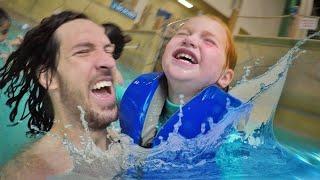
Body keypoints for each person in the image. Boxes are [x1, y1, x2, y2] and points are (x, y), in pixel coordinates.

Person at [0, 11, 120, 179]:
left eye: (108, 51)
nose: (109, 62)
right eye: (83, 51)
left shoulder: (126, 141)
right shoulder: (26, 174)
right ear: (49, 77)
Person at [119, 15, 242, 147]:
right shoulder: (130, 97)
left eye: (209, 41)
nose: (190, 39)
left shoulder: (224, 135)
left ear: (224, 77)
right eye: (183, 33)